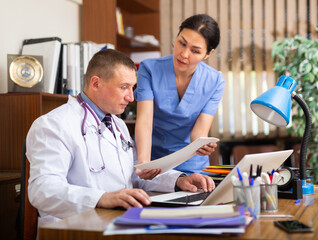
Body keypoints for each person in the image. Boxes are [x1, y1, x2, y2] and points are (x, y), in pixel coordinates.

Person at [26, 49, 215, 226]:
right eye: (124, 87)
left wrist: (179, 180)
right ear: (96, 83)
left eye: (132, 87)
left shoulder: (118, 125)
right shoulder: (54, 124)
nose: (131, 98)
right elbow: (43, 190)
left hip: (118, 219)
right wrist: (102, 198)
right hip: (73, 226)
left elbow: (137, 173)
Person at [134, 14, 225, 177]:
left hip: (193, 166)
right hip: (155, 162)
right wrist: (144, 163)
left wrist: (201, 145)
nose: (184, 54)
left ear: (208, 54)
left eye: (195, 51)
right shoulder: (149, 69)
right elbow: (145, 121)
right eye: (182, 43)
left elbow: (199, 132)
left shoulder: (215, 81)